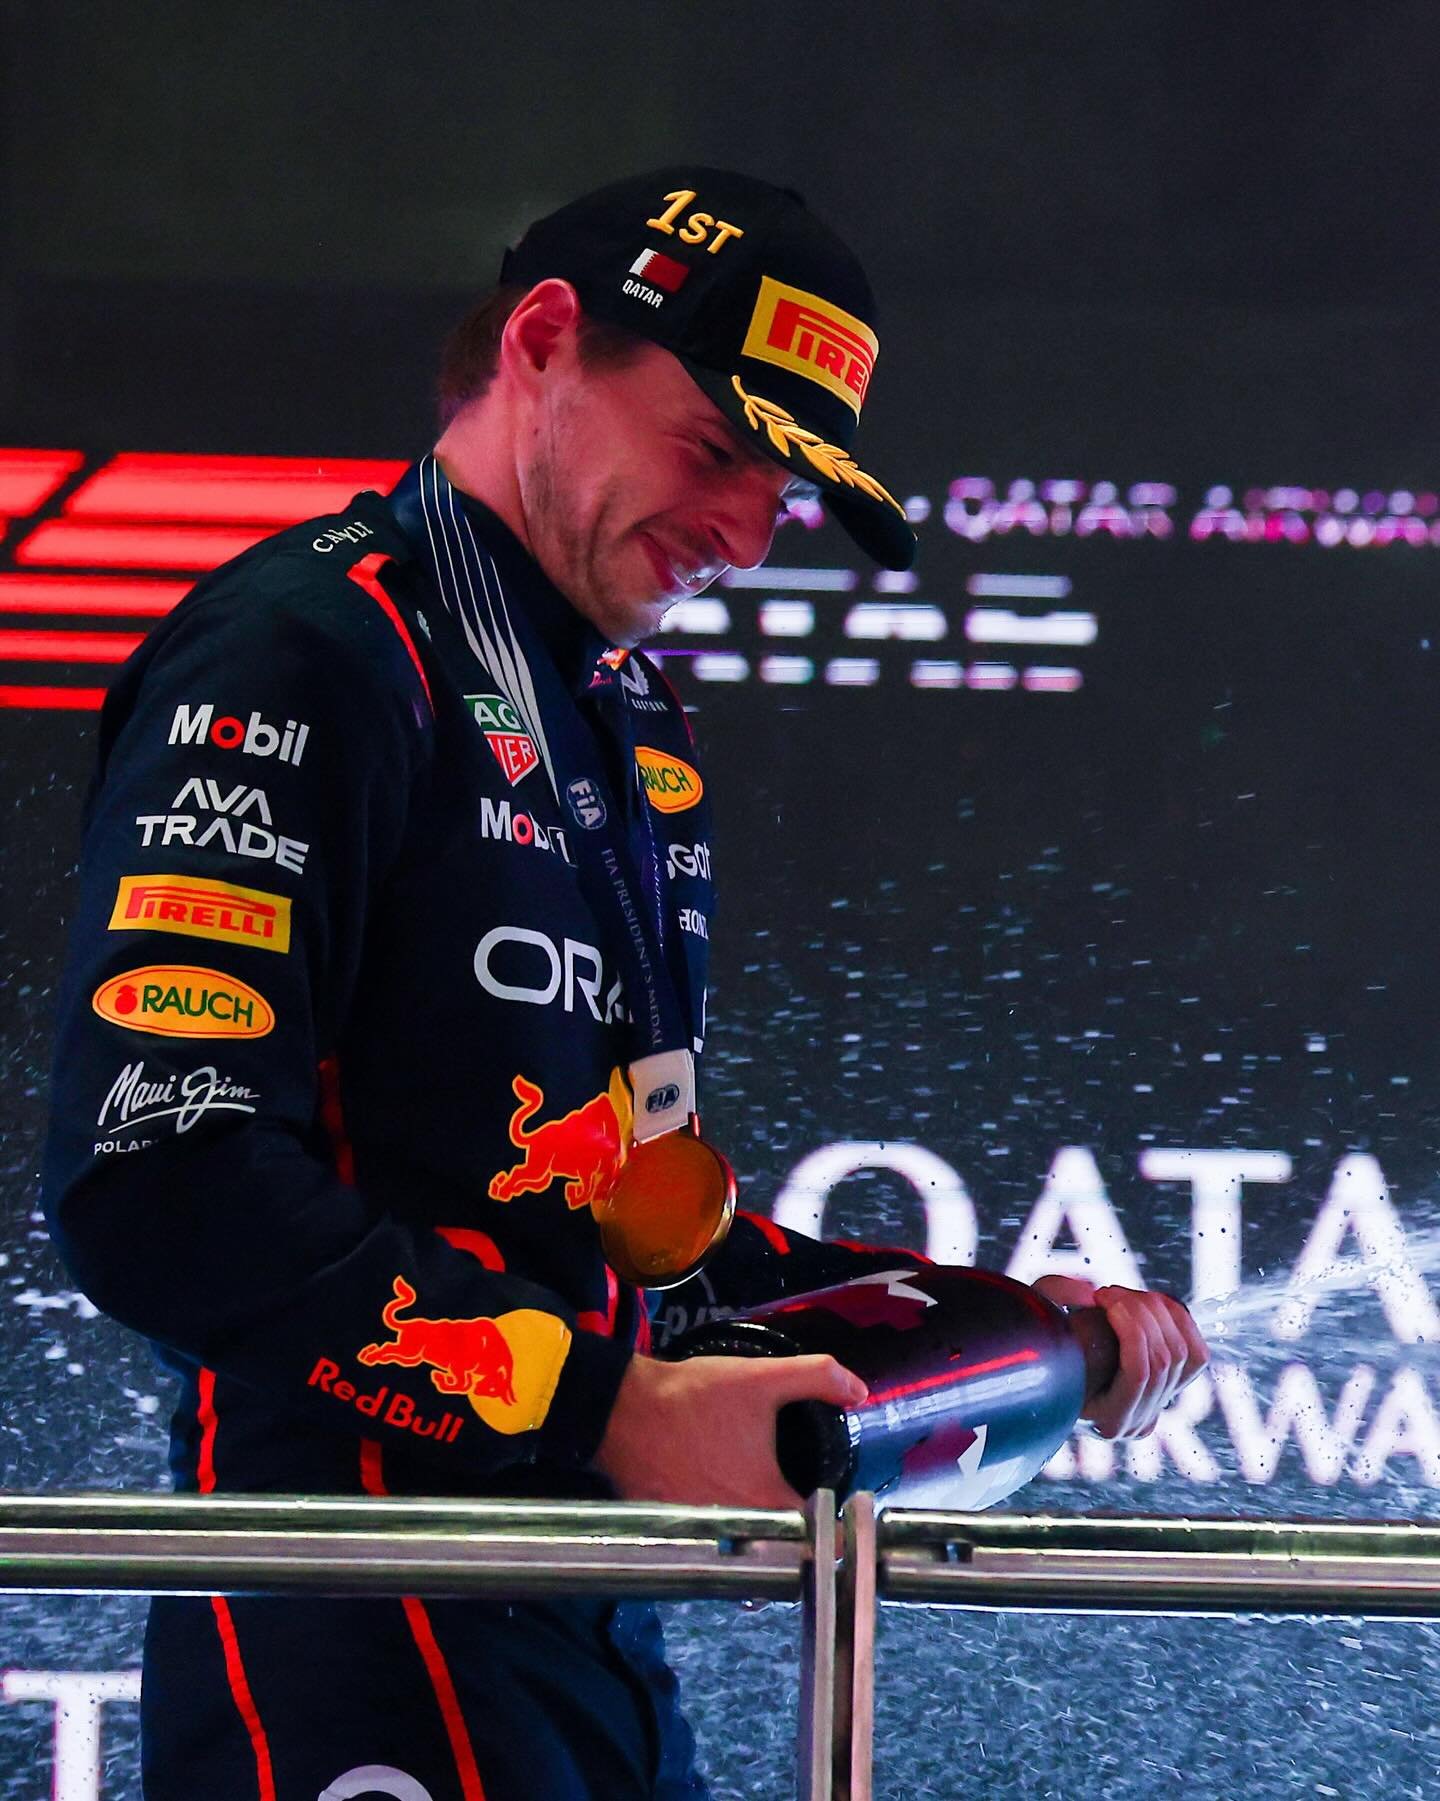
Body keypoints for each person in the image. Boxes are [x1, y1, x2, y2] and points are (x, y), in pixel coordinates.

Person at [42, 168, 1207, 1801]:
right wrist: (609, 1406)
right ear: (542, 342)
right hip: (356, 1601)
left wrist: (1004, 1325)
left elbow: (639, 1233)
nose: (744, 534)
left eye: (784, 491)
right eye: (716, 449)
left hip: (580, 1611)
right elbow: (158, 1179)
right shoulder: (303, 649)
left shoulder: (628, 724)